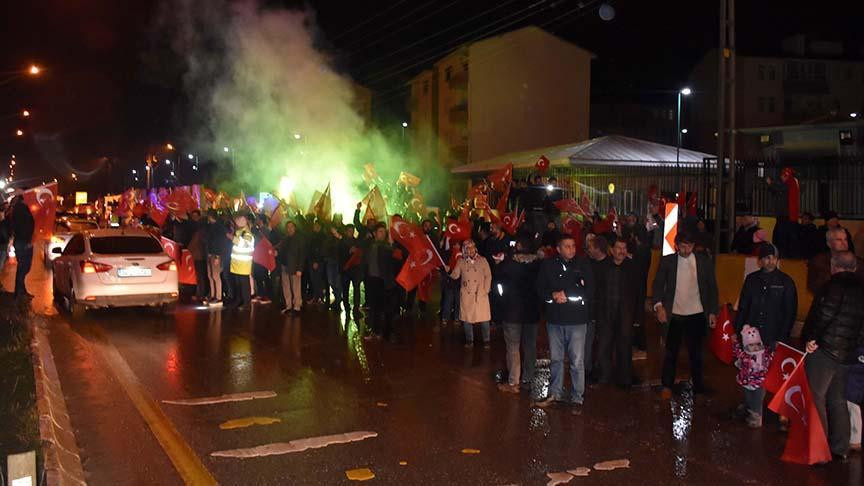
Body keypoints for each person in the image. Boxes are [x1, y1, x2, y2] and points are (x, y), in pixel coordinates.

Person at [801, 251, 864, 460]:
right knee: (838, 399)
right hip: (847, 354)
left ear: (833, 266)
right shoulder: (861, 289)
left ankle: (818, 448)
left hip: (825, 351)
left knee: (816, 396)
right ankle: (840, 447)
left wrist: (811, 339)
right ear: (854, 267)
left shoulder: (831, 286)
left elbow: (824, 315)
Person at [733, 243, 798, 428]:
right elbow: (744, 306)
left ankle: (771, 412)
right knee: (750, 372)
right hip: (751, 338)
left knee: (771, 375)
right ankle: (754, 408)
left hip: (773, 337)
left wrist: (782, 337)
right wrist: (738, 333)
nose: (770, 261)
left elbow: (789, 313)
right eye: (766, 257)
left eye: (773, 257)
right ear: (759, 261)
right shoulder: (751, 280)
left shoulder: (786, 282)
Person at [652, 231, 719, 399]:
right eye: (682, 246)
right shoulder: (668, 262)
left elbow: (712, 288)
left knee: (696, 354)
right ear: (676, 246)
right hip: (674, 314)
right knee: (670, 353)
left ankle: (698, 387)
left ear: (694, 246)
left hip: (696, 314)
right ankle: (667, 385)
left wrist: (712, 311)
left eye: (689, 246)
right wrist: (659, 306)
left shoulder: (703, 262)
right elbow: (658, 284)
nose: (686, 249)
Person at [535, 235, 595, 414]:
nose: (571, 249)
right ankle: (555, 393)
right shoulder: (548, 265)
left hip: (577, 320)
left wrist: (566, 294)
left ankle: (577, 397)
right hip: (555, 319)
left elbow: (589, 288)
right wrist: (553, 295)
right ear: (558, 249)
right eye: (567, 246)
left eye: (573, 246)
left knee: (577, 360)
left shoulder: (583, 264)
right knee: (556, 358)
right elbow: (540, 287)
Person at [495, 235, 541, 393]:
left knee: (513, 347)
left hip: (512, 311)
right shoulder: (539, 265)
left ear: (519, 245)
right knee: (530, 346)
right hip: (532, 312)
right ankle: (528, 378)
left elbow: (499, 284)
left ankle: (514, 382)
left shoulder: (508, 265)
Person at [595, 236, 641, 388]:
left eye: (624, 248)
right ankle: (604, 378)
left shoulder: (633, 267)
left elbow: (638, 293)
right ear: (611, 250)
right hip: (606, 315)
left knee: (624, 348)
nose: (622, 251)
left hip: (625, 316)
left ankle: (624, 379)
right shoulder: (603, 267)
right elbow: (597, 291)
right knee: (603, 347)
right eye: (619, 248)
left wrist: (637, 317)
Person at [449, 239, 492, 348]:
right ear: (464, 250)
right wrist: (449, 270)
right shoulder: (461, 261)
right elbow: (455, 275)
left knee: (484, 320)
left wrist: (486, 290)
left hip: (480, 293)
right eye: (467, 248)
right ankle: (469, 341)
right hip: (467, 294)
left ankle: (486, 341)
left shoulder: (483, 260)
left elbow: (488, 276)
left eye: (472, 247)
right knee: (467, 320)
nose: (470, 250)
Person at [365, 222, 399, 341]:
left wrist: (392, 244)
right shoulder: (370, 245)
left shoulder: (387, 247)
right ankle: (375, 331)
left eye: (384, 232)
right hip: (372, 280)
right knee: (374, 308)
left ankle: (386, 333)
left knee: (386, 309)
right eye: (380, 232)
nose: (382, 234)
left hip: (384, 281)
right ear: (374, 233)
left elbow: (395, 256)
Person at [807, 227, 864, 294]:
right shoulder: (819, 261)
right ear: (829, 243)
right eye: (839, 240)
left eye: (845, 239)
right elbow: (814, 286)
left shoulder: (858, 262)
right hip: (827, 299)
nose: (844, 243)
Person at [584, 234, 609, 381]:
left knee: (603, 342)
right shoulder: (588, 263)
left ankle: (600, 369)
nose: (588, 250)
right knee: (588, 341)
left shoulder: (609, 265)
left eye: (591, 247)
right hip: (591, 309)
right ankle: (588, 369)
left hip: (604, 311)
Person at [226, 214, 254, 309]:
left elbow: (245, 244)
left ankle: (246, 302)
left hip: (243, 264)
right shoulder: (239, 232)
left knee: (244, 284)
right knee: (238, 284)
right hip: (238, 264)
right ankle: (239, 300)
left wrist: (232, 238)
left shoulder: (247, 233)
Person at [278, 221, 305, 315]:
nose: (289, 229)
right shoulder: (285, 239)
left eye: (291, 227)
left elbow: (302, 255)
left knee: (296, 288)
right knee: (286, 287)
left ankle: (297, 306)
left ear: (295, 228)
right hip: (284, 266)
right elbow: (280, 251)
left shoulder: (299, 239)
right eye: (288, 227)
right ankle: (288, 306)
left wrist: (300, 269)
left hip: (295, 267)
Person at [10, 194, 35, 300]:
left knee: (22, 267)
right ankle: (18, 292)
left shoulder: (17, 209)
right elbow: (26, 225)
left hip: (21, 241)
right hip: (23, 242)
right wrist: (28, 242)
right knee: (24, 267)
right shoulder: (22, 209)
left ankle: (21, 290)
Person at [338, 224, 363, 316]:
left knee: (357, 289)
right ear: (345, 232)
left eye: (352, 231)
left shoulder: (357, 242)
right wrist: (348, 251)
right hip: (345, 269)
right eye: (349, 231)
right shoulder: (342, 242)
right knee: (345, 289)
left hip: (355, 269)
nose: (351, 233)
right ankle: (346, 306)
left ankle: (356, 308)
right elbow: (339, 255)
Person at [204, 211, 226, 306]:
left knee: (216, 276)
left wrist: (217, 255)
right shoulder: (211, 227)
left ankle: (218, 297)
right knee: (210, 275)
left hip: (216, 254)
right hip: (210, 253)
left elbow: (219, 242)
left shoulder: (219, 228)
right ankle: (212, 295)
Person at [187, 210, 209, 304]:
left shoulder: (198, 232)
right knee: (205, 275)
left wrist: (189, 250)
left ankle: (201, 294)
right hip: (205, 256)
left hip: (198, 256)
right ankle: (204, 293)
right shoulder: (207, 231)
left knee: (200, 276)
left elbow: (192, 245)